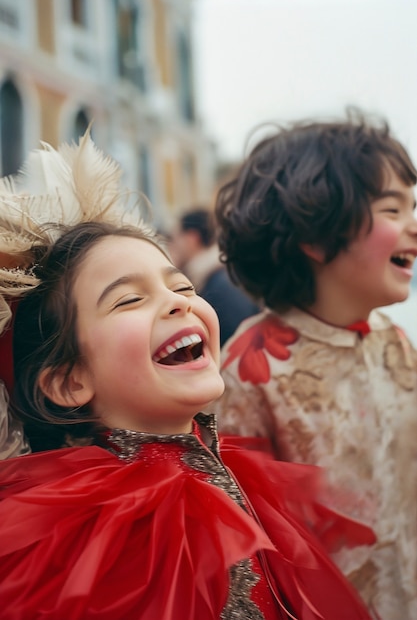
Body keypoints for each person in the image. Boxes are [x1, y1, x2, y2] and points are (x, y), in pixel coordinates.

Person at [0, 137, 376, 619]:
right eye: (128, 300)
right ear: (69, 382)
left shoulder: (248, 478)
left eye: (181, 285)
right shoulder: (92, 535)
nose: (179, 301)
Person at [213, 110, 417, 619]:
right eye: (393, 209)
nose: (413, 224)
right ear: (318, 237)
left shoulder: (395, 342)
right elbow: (242, 545)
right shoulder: (249, 367)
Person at [169, 208, 259, 346]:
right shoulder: (217, 275)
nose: (172, 246)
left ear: (192, 238)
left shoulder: (220, 284)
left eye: (174, 239)